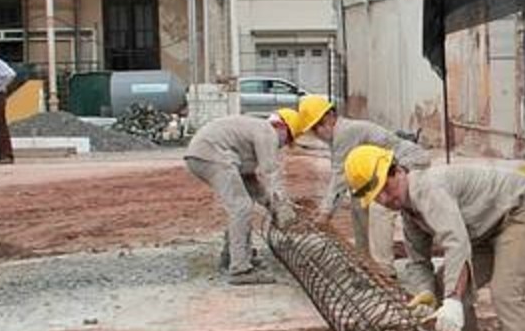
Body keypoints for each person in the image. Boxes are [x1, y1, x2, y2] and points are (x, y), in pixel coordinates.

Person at [344, 145, 525, 331]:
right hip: (486, 227)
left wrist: (453, 300)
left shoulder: (427, 188)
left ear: (398, 171)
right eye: (376, 196)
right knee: (446, 280)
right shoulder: (409, 211)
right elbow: (419, 262)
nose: (385, 199)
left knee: (505, 293)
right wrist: (426, 294)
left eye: (385, 188)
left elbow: (456, 243)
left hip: (524, 209)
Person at [295, 94, 431, 273]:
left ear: (329, 116)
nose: (318, 133)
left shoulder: (346, 132)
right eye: (313, 129)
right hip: (386, 167)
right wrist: (324, 210)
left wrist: (325, 213)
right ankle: (364, 260)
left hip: (409, 161)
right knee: (358, 201)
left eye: (318, 126)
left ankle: (383, 269)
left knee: (381, 204)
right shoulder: (336, 137)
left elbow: (339, 176)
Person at [184, 109, 301, 285]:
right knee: (241, 206)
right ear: (283, 128)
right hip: (212, 154)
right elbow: (270, 171)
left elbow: (250, 181)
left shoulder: (251, 130)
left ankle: (231, 255)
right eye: (288, 139)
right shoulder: (267, 131)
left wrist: (270, 204)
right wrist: (282, 206)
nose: (284, 145)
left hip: (203, 154)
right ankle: (240, 269)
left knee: (241, 203)